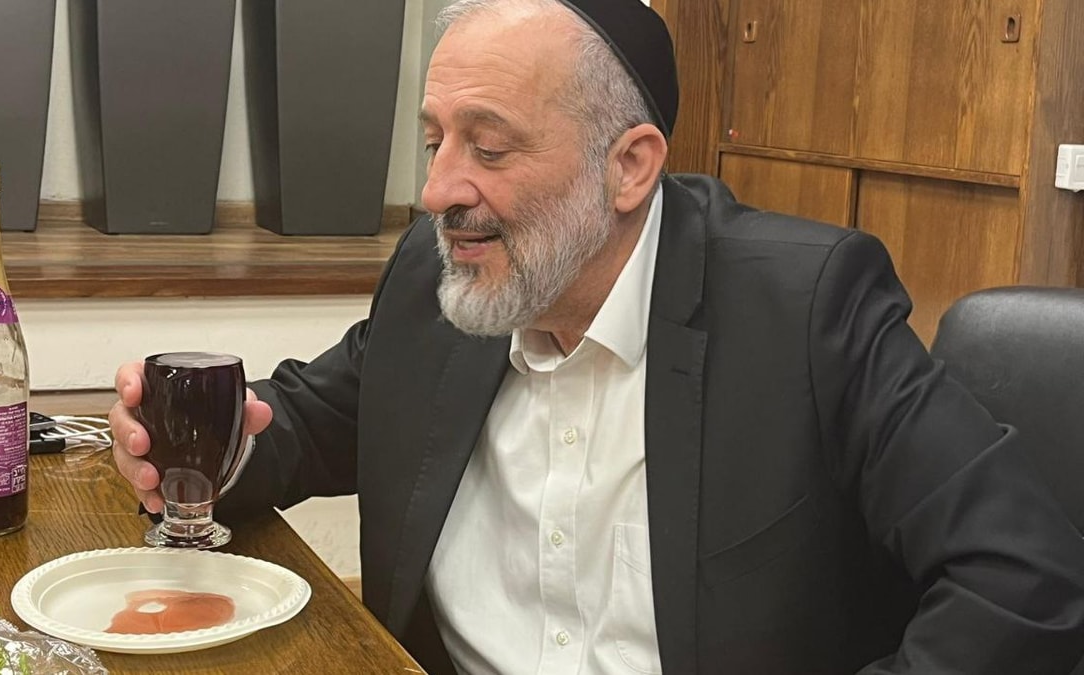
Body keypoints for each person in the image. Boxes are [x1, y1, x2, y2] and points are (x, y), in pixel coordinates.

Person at [109, 0, 1084, 672]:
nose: (440, 189)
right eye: (434, 140)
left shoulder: (807, 308)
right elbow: (312, 422)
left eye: (489, 146)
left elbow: (1024, 578)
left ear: (630, 167)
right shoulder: (445, 278)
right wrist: (201, 449)